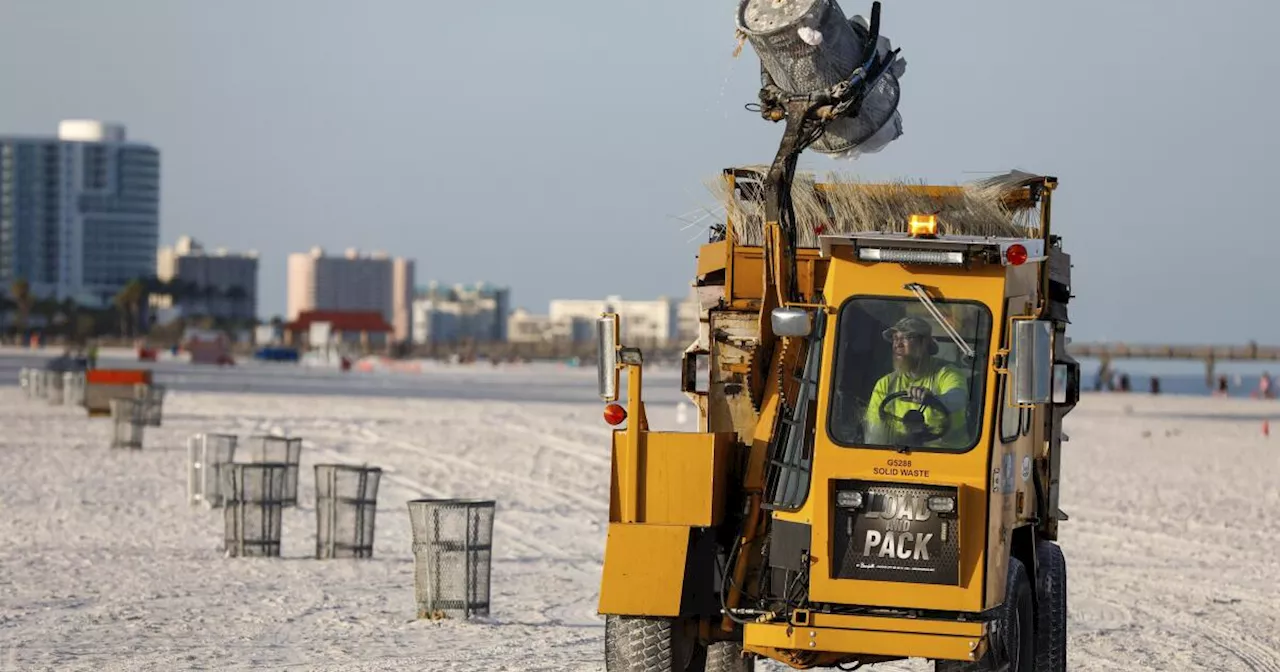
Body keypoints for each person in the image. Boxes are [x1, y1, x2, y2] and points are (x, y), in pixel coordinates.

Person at [864, 316, 969, 448]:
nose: (898, 344)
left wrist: (933, 400)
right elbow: (874, 434)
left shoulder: (946, 373)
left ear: (924, 342)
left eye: (906, 338)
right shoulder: (885, 384)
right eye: (895, 338)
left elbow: (958, 399)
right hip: (900, 458)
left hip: (949, 457)